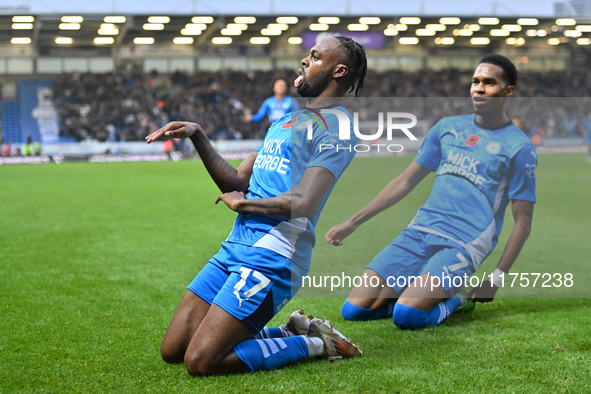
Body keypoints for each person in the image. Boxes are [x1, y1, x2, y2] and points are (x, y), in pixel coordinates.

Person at [145, 36, 367, 375]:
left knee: (201, 361)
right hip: (236, 246)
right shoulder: (285, 122)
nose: (304, 61)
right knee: (173, 349)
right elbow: (237, 182)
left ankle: (318, 343)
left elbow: (304, 201)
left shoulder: (337, 129)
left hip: (274, 255)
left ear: (339, 71)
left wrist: (245, 207)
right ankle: (291, 331)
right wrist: (198, 136)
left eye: (315, 56)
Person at [325, 54, 537, 330]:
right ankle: (415, 296)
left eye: (489, 83)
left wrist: (496, 278)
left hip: (464, 242)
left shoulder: (520, 148)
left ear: (508, 91)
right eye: (475, 81)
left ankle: (457, 300)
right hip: (420, 231)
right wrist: (352, 222)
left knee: (408, 317)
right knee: (354, 310)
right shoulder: (448, 128)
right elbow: (405, 181)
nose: (479, 88)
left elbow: (523, 221)